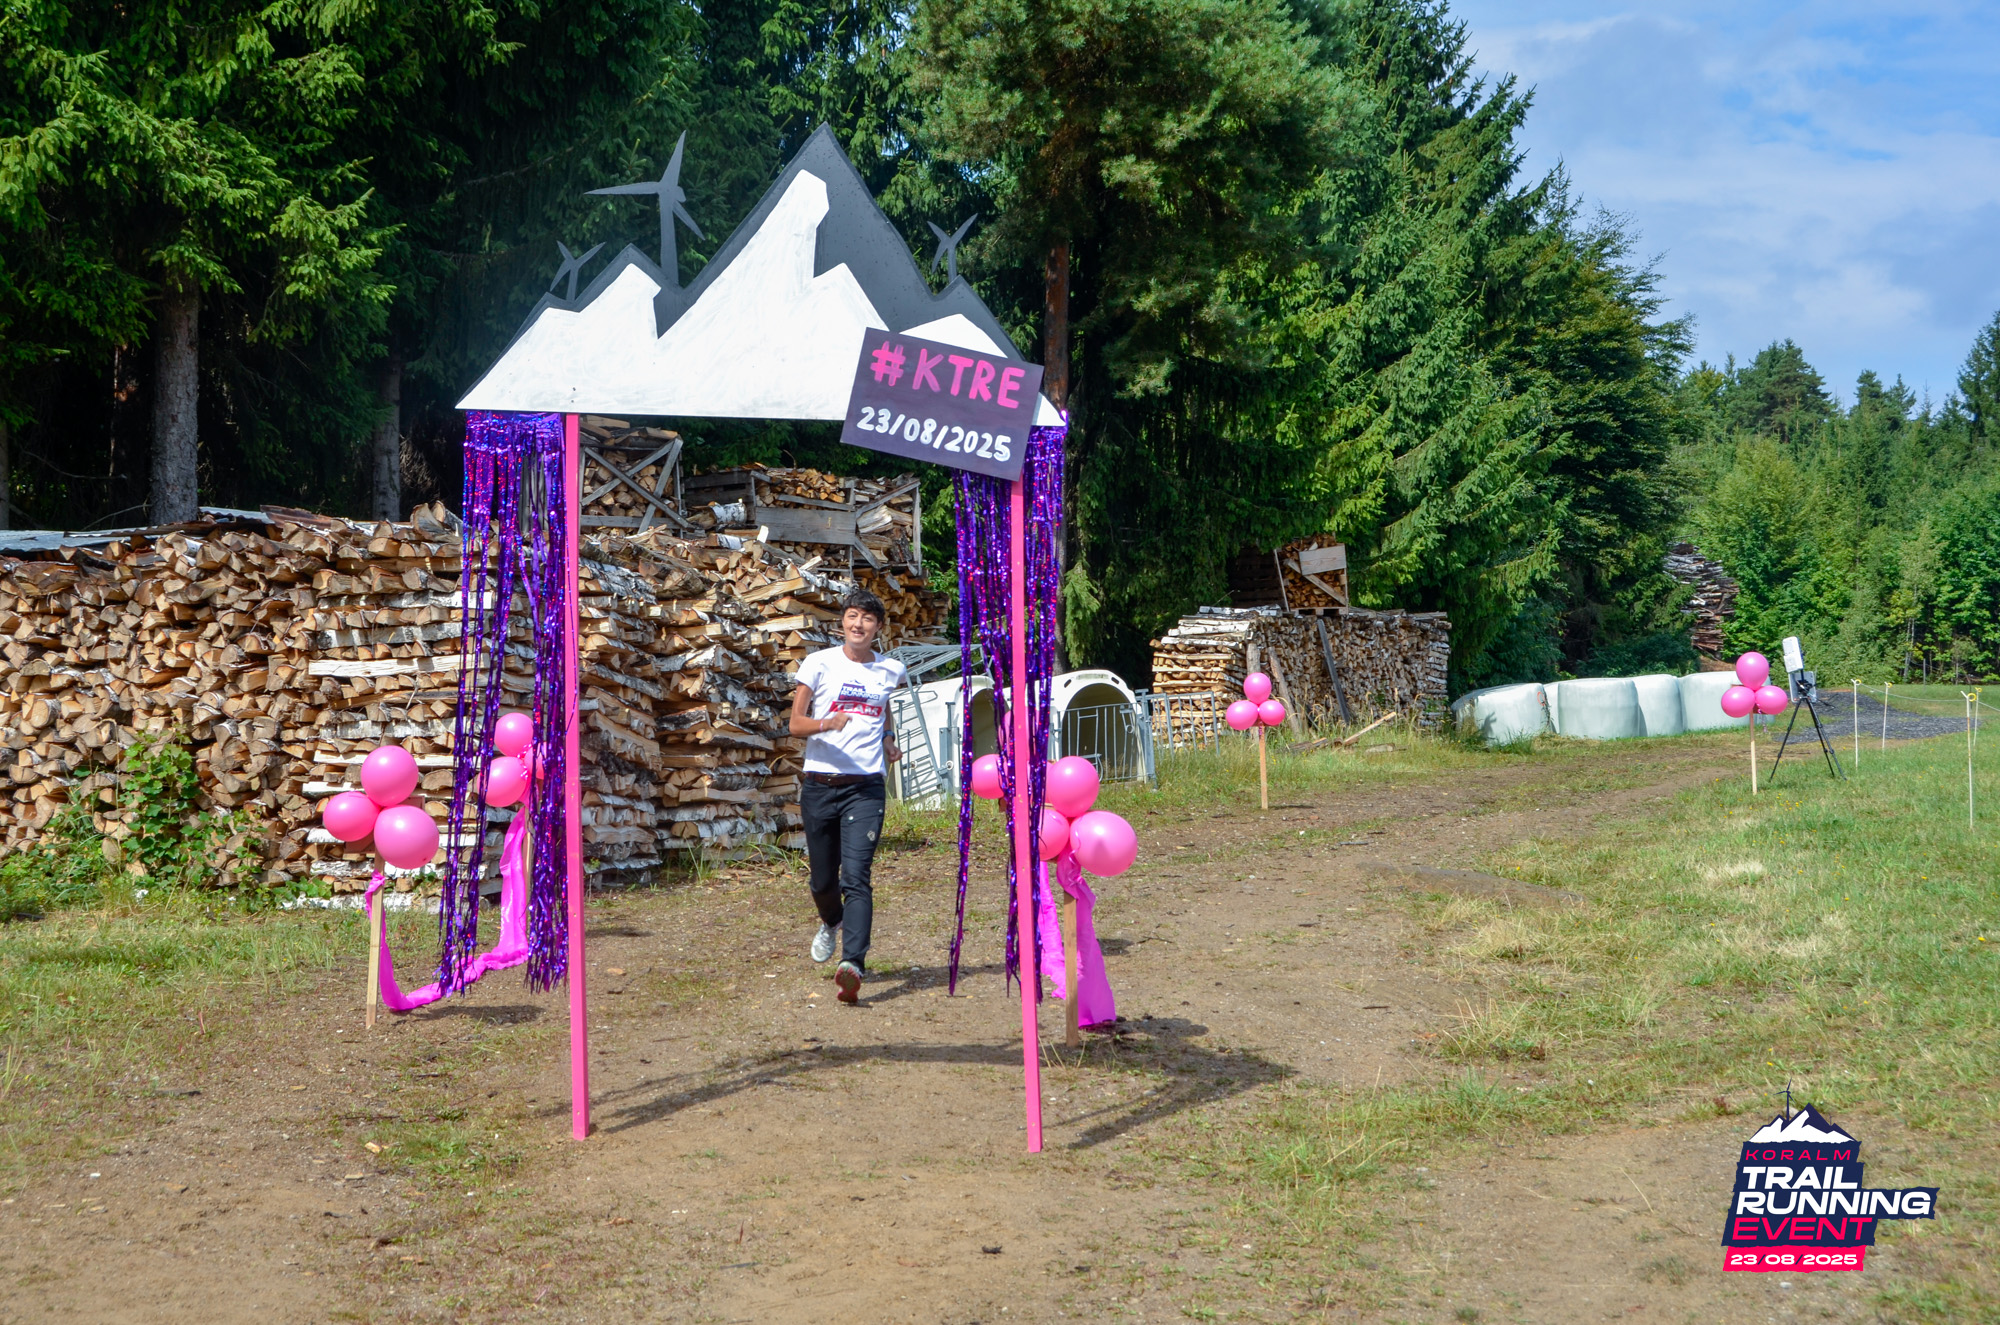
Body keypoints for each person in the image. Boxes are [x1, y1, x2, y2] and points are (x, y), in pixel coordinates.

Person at [790, 589, 904, 1003]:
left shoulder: (891, 669)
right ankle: (830, 921)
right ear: (842, 621)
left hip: (865, 788)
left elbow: (883, 708)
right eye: (853, 616)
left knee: (856, 877)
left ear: (878, 627)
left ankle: (852, 964)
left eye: (868, 619)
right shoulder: (819, 663)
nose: (859, 624)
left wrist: (888, 738)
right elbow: (796, 724)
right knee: (823, 881)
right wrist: (827, 723)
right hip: (820, 785)